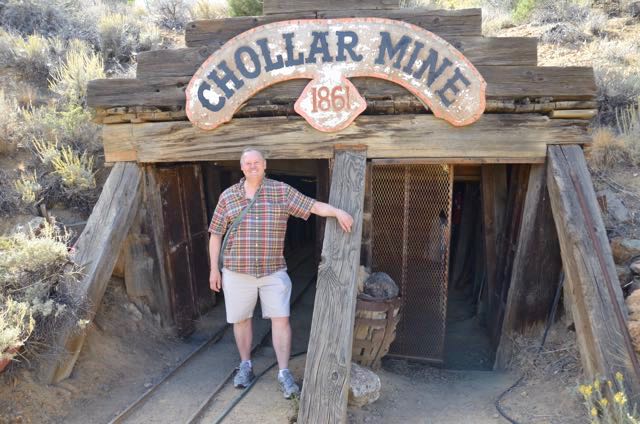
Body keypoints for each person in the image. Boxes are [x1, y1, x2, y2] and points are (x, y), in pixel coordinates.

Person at [208, 148, 353, 399]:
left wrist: (337, 211)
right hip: (236, 270)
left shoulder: (281, 191)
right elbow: (216, 234)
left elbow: (313, 206)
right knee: (241, 319)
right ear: (242, 167)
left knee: (281, 319)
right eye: (248, 163)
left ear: (265, 165)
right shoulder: (228, 197)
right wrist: (214, 269)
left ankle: (284, 372)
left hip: (272, 270)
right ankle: (245, 365)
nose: (252, 166)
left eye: (257, 162)